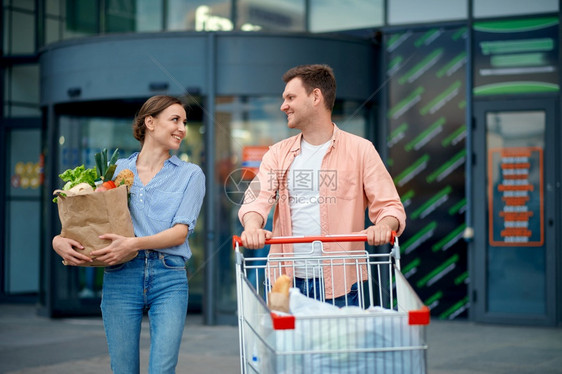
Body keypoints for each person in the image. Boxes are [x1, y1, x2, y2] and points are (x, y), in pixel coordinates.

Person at [52, 95, 206, 373]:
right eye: (175, 120)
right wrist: (58, 240)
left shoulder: (190, 174)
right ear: (150, 122)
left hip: (168, 277)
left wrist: (133, 243)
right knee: (123, 369)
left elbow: (179, 233)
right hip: (121, 277)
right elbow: (89, 219)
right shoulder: (116, 170)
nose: (182, 128)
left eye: (184, 122)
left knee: (162, 368)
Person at [238, 64, 406, 306]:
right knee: (286, 346)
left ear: (315, 96)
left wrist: (383, 225)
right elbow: (256, 199)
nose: (283, 105)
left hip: (342, 285)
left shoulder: (361, 150)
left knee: (340, 345)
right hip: (286, 285)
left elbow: (390, 206)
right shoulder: (277, 154)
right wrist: (252, 226)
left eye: (290, 97)